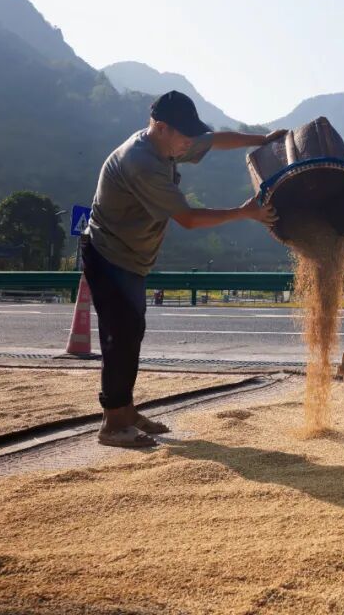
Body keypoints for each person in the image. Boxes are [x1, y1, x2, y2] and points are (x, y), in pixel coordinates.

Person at [82, 90, 280, 448]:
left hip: (133, 256)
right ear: (160, 127)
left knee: (132, 332)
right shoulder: (140, 161)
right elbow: (187, 219)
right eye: (183, 135)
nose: (190, 142)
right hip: (108, 255)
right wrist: (244, 211)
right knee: (119, 336)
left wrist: (262, 139)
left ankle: (125, 411)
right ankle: (112, 424)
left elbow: (215, 140)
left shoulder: (171, 142)